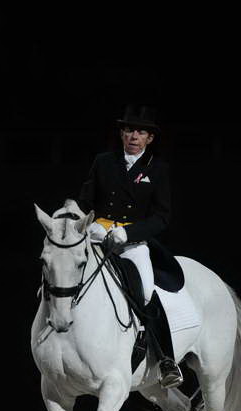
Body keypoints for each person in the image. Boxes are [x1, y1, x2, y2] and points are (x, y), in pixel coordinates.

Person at [78, 104, 183, 388]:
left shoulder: (158, 169)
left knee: (147, 292)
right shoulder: (103, 161)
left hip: (132, 242)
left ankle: (166, 360)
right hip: (99, 234)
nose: (133, 136)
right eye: (128, 130)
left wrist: (130, 233)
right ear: (122, 134)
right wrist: (84, 222)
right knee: (67, 267)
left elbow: (162, 216)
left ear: (149, 138)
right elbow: (86, 200)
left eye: (140, 132)